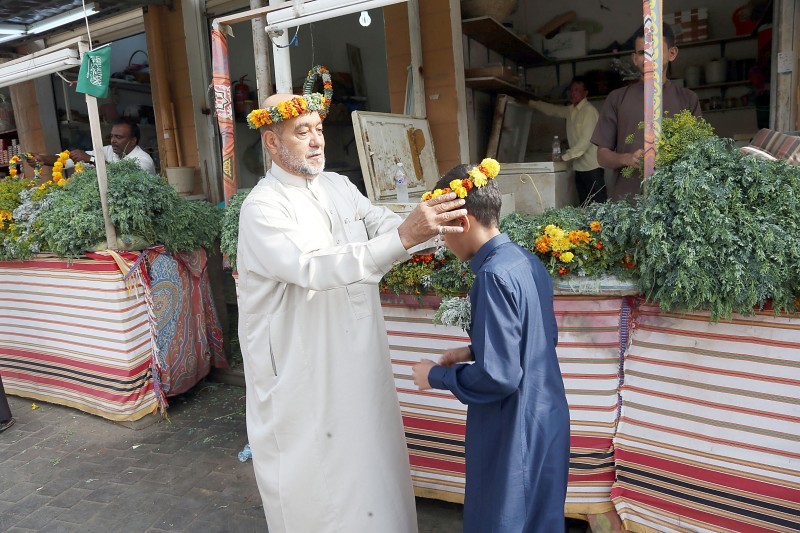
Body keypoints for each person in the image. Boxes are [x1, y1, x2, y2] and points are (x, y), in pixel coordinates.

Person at [237, 90, 468, 533]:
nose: (317, 141)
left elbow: (380, 222)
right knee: (318, 477)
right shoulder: (262, 208)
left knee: (371, 455)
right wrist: (402, 238)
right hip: (304, 368)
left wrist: (428, 226)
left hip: (358, 355)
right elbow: (312, 268)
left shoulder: (338, 185)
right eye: (302, 132)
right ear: (271, 142)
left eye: (319, 129)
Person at [411, 160, 570, 533]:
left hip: (513, 428)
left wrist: (436, 376)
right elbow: (540, 337)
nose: (444, 244)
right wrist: (472, 350)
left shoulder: (492, 276)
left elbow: (500, 377)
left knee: (503, 521)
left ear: (462, 223)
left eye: (443, 233)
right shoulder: (526, 262)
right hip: (546, 417)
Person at [591, 24, 701, 201]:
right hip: (627, 206)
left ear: (672, 54)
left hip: (675, 203)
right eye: (642, 53)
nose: (648, 58)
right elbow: (602, 156)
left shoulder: (688, 99)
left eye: (655, 50)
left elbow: (699, 154)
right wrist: (628, 159)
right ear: (634, 58)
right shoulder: (617, 98)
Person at [529, 76, 606, 203]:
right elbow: (553, 110)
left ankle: (604, 224)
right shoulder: (571, 110)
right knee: (584, 206)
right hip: (579, 168)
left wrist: (564, 157)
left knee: (599, 207)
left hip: (592, 168)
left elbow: (585, 142)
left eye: (577, 90)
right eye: (571, 90)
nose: (572, 93)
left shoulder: (589, 112)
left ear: (585, 93)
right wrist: (530, 102)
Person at [27, 121, 156, 174]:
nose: (113, 141)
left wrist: (91, 160)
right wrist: (43, 159)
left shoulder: (144, 160)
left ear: (133, 140)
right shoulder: (109, 150)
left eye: (118, 137)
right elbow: (70, 159)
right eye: (111, 136)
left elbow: (125, 177)